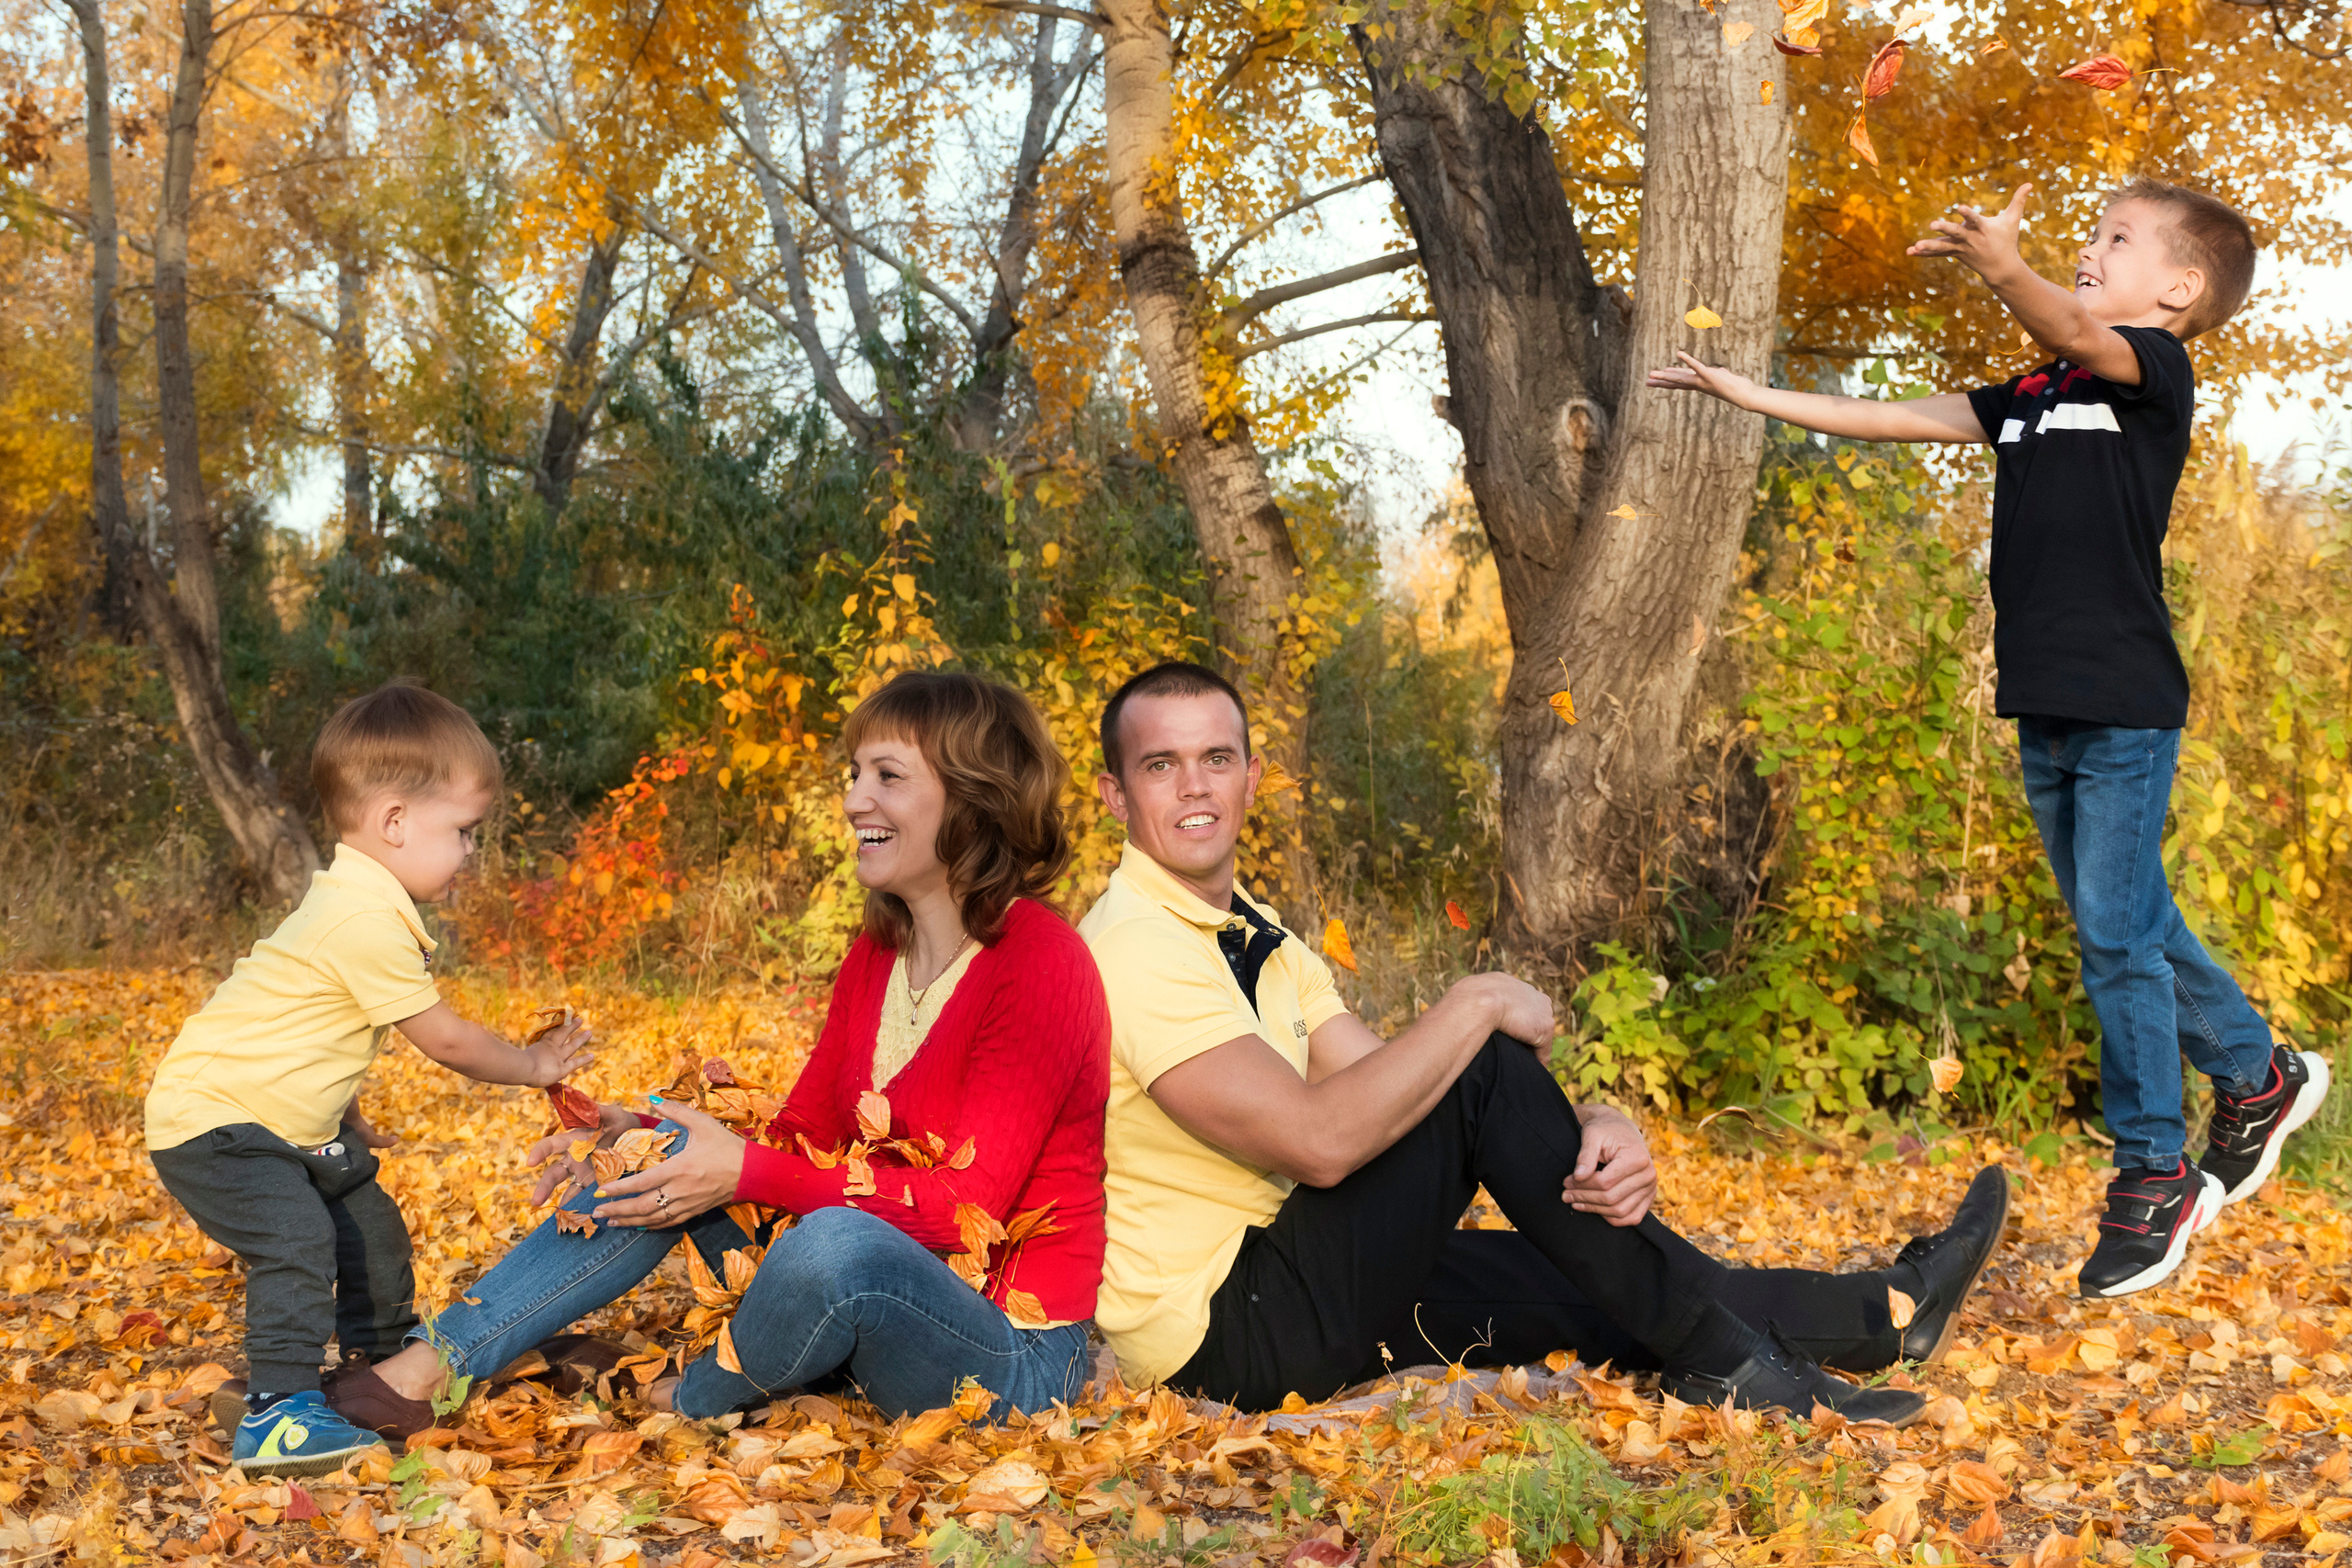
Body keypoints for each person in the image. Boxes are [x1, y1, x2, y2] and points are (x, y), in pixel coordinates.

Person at [1651, 178, 2326, 1299]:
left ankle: (2153, 1170)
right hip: (2044, 705)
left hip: (2123, 704)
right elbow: (1898, 416)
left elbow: (2071, 324)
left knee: (2116, 936)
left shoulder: (2151, 377)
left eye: (2115, 240)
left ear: (2181, 288)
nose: (2089, 251)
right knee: (2125, 917)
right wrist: (1744, 393)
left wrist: (1998, 265)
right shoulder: (2036, 392)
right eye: (2089, 235)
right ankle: (2256, 1076)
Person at [1077, 662, 2012, 1424]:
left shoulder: (1253, 930)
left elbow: (1393, 1091)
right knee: (1478, 1056)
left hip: (1292, 1264)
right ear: (1117, 796)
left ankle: (1885, 1314)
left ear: (1250, 775)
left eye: (1215, 758)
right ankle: (1735, 1369)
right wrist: (1478, 1000)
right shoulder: (1134, 945)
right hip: (1225, 1330)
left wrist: (1595, 1121)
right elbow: (1322, 1143)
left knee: (1605, 1276)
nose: (1195, 785)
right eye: (1161, 765)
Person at [353, 671, 1109, 1428]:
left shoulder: (1040, 958)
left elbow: (965, 1210)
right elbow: (802, 1136)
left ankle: (683, 1395)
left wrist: (744, 1168)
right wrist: (637, 1139)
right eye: (854, 775)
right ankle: (427, 1368)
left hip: (1010, 1350)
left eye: (887, 776)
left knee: (833, 1243)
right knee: (673, 1154)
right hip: (870, 1299)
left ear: (974, 798)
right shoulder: (878, 953)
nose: (853, 801)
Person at [147, 681, 595, 1477]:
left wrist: (340, 1110)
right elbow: (447, 1040)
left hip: (282, 1124)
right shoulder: (362, 915)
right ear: (394, 821)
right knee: (298, 1241)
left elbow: (299, 1023)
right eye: (462, 831)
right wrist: (536, 1065)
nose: (469, 852)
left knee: (372, 1225)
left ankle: (379, 1370)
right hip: (216, 1125)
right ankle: (277, 1415)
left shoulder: (360, 905)